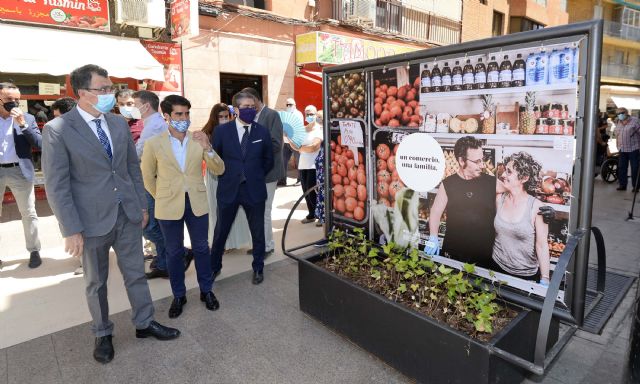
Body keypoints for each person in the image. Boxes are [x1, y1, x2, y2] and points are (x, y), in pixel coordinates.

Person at [41, 64, 180, 364]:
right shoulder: (58, 130)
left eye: (110, 88)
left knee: (136, 275)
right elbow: (57, 185)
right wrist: (70, 229)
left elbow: (132, 168)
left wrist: (142, 205)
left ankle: (144, 322)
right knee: (96, 282)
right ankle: (102, 332)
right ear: (82, 94)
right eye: (103, 89)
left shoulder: (117, 124)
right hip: (89, 222)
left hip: (127, 214)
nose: (110, 94)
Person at [141, 95, 225, 318]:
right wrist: (161, 196)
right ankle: (179, 295)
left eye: (187, 114)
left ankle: (206, 291)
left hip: (196, 202)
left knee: (201, 248)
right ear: (166, 116)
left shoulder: (199, 139)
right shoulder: (154, 143)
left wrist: (207, 148)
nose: (184, 118)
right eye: (179, 114)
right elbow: (147, 176)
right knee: (174, 251)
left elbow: (219, 169)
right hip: (168, 204)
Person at [210, 91, 274, 285]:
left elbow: (268, 160)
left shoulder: (261, 131)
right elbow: (216, 159)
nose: (250, 110)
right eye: (245, 107)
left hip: (253, 189)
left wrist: (253, 175)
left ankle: (258, 268)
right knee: (221, 231)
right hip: (229, 189)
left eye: (252, 107)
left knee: (258, 232)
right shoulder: (222, 131)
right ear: (236, 110)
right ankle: (214, 267)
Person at [131, 90, 194, 279]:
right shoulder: (150, 124)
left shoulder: (155, 126)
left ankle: (179, 252)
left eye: (134, 104)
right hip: (150, 181)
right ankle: (166, 261)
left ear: (146, 105)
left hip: (156, 183)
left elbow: (137, 154)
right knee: (155, 225)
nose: (131, 108)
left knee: (150, 226)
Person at [426, 136, 496, 268]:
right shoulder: (448, 184)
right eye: (477, 161)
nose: (482, 165)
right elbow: (435, 212)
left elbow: (516, 192)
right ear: (461, 160)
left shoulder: (491, 182)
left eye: (483, 159)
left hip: (484, 257)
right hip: (453, 254)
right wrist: (433, 237)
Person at [491, 152, 550, 285]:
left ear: (524, 178)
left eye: (509, 172)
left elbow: (542, 245)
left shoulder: (536, 207)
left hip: (525, 275)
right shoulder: (499, 198)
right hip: (496, 267)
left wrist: (545, 278)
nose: (503, 175)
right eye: (505, 170)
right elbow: (481, 180)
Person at [0, 82, 42, 268]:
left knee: (28, 213)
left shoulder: (28, 118)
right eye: (9, 99)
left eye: (17, 99)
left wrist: (23, 124)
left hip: (20, 170)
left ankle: (34, 250)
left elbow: (39, 143)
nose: (14, 103)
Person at [202, 103, 251, 252]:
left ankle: (233, 242)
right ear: (214, 118)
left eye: (226, 116)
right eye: (220, 117)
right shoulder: (206, 133)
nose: (223, 119)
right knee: (216, 209)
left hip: (231, 175)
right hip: (214, 175)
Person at [241, 87, 284, 257]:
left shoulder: (271, 115)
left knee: (264, 210)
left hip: (268, 172)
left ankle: (267, 246)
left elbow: (275, 144)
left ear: (256, 99)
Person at [290, 105, 323, 224]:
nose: (309, 116)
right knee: (305, 191)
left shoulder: (319, 129)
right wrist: (297, 146)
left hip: (314, 166)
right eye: (307, 114)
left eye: (311, 114)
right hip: (303, 164)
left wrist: (299, 148)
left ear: (316, 115)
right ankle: (311, 214)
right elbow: (293, 144)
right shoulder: (302, 130)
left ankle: (321, 216)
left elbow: (314, 147)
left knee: (314, 191)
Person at [614, 107, 640, 192]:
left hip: (634, 148)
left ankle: (635, 186)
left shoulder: (635, 121)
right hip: (622, 149)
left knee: (635, 168)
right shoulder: (618, 121)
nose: (619, 115)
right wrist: (617, 146)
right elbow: (617, 135)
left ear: (626, 113)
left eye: (621, 113)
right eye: (618, 114)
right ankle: (622, 185)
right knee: (622, 167)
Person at [280, 97, 303, 186]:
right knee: (283, 160)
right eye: (287, 104)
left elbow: (297, 126)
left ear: (295, 105)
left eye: (290, 104)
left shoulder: (298, 114)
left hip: (295, 141)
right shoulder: (285, 114)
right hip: (286, 142)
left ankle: (300, 180)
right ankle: (282, 180)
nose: (289, 106)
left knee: (299, 161)